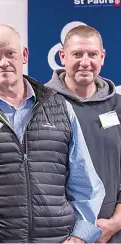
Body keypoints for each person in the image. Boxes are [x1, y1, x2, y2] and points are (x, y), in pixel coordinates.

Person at [0, 25, 105, 243]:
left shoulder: (59, 107)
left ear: (24, 55)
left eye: (10, 53)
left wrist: (81, 234)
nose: (3, 63)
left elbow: (86, 182)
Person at [45, 25, 121, 243]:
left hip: (112, 232)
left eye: (92, 54)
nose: (85, 62)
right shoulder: (41, 105)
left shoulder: (118, 106)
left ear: (103, 57)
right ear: (62, 56)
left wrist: (115, 222)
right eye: (77, 54)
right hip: (61, 234)